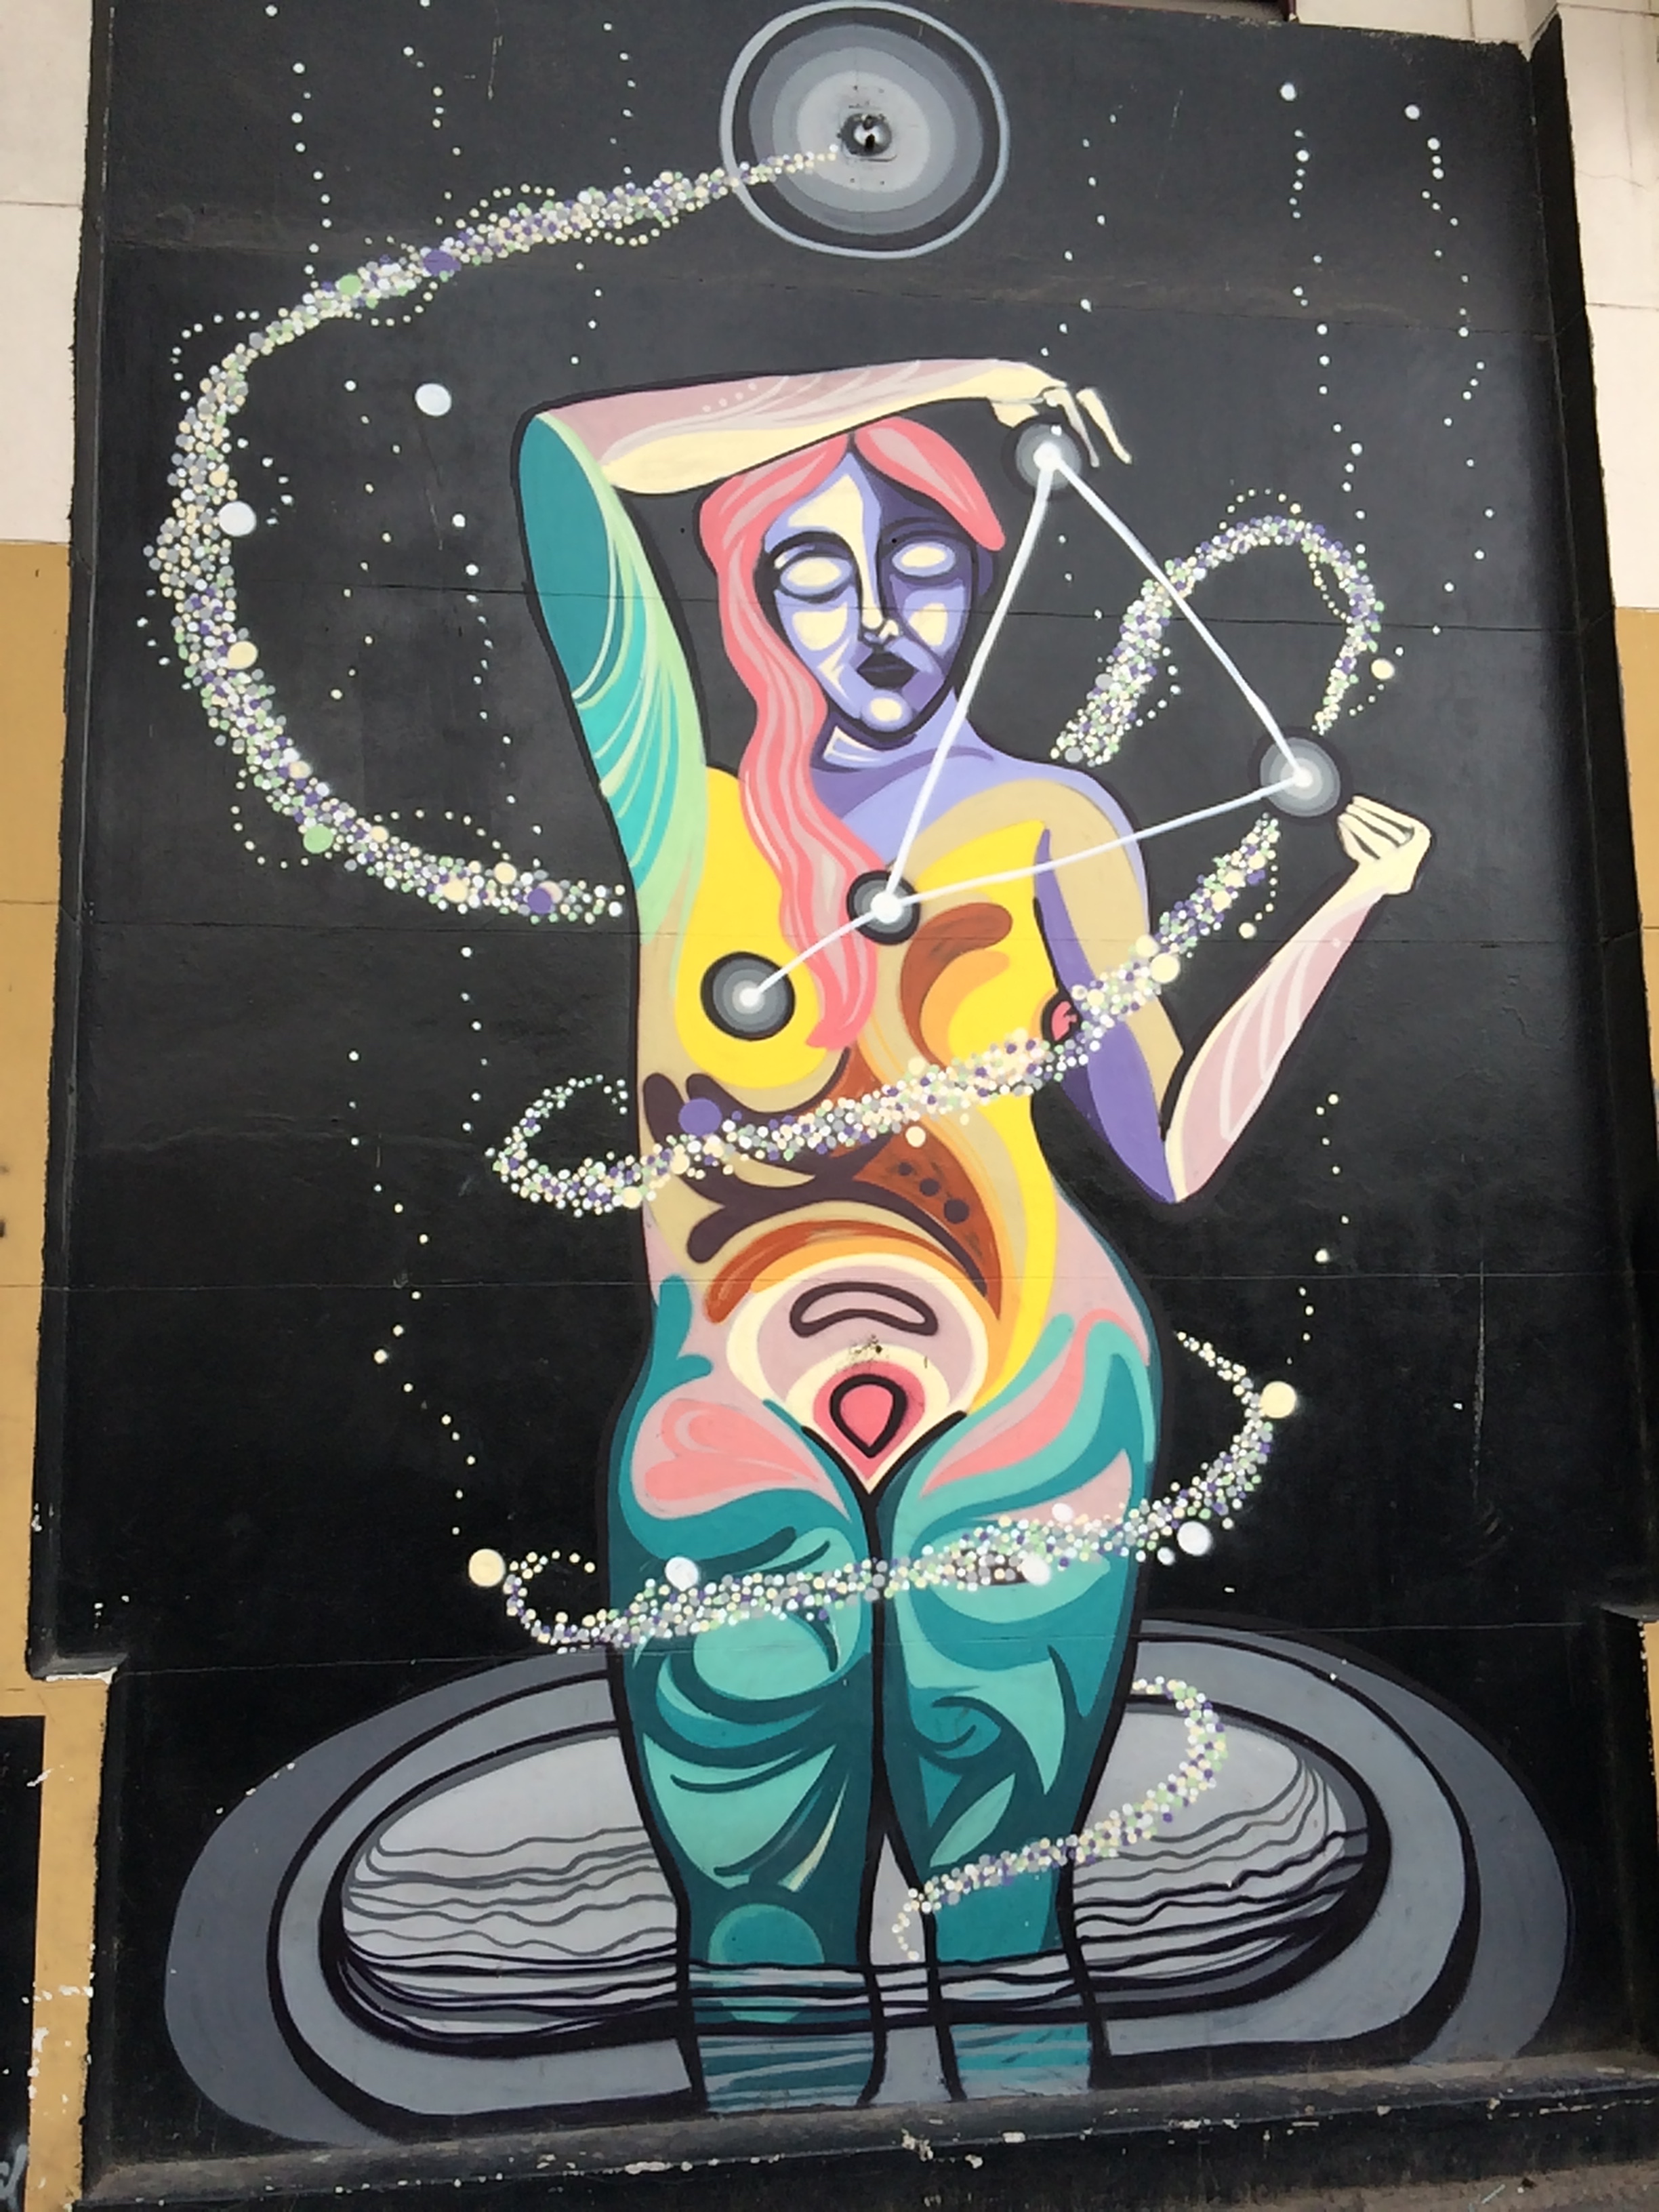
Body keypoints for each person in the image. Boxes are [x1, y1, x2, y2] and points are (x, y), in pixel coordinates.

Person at [516, 359, 1430, 2108]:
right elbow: (568, 463)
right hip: (731, 1414)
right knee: (756, 1926)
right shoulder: (683, 813)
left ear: (983, 573)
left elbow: (1167, 1149)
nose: (878, 617)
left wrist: (1348, 911)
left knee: (1005, 1918)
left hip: (1036, 1396)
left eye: (922, 562)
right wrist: (958, 380)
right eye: (814, 572)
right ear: (750, 604)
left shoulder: (1057, 825)